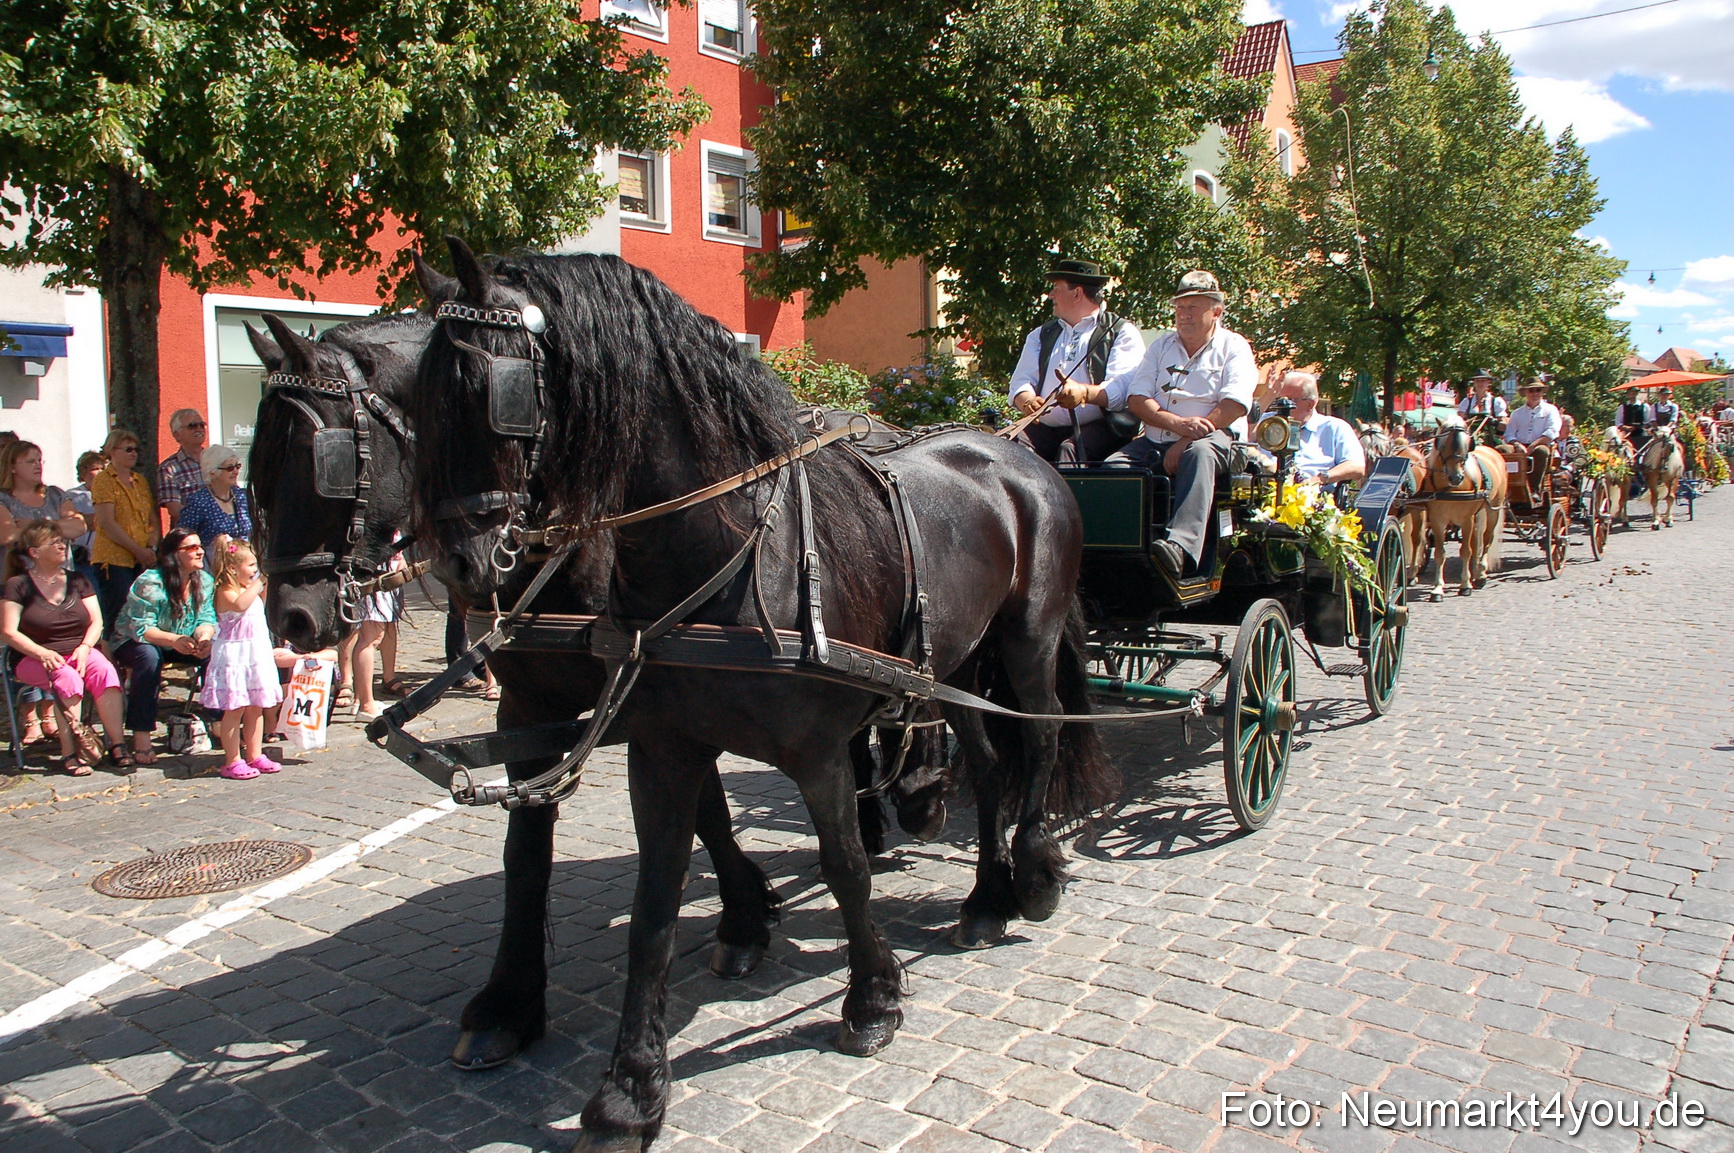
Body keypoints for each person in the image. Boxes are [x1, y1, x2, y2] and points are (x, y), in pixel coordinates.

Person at [1110, 270, 1257, 579]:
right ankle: (1121, 548)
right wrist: (1177, 424)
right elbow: (1137, 399)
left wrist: (1185, 440)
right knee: (1113, 469)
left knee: (1198, 454)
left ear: (1216, 311)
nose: (1184, 315)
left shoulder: (1234, 347)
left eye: (1193, 307)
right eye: (1179, 307)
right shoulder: (1161, 347)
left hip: (1218, 439)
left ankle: (1179, 548)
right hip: (1156, 439)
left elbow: (1233, 405)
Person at [0, 521, 129, 774]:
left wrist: (85, 647)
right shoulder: (18, 585)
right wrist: (42, 652)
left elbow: (97, 621)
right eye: (53, 543)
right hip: (33, 656)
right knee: (65, 677)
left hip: (79, 648)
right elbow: (8, 631)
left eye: (62, 541)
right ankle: (72, 752)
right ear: (34, 552)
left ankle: (118, 744)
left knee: (105, 671)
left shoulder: (77, 580)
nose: (62, 545)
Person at [1007, 258, 1145, 464]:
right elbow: (1020, 382)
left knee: (1069, 450)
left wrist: (1084, 393)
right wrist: (1027, 400)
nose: (1050, 295)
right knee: (1009, 446)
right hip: (1045, 429)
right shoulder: (1040, 334)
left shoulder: (1121, 332)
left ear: (1077, 293)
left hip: (1104, 427)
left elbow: (1121, 389)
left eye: (1056, 288)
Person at [110, 528, 218, 765]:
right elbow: (143, 629)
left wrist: (204, 639)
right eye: (191, 547)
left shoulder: (205, 581)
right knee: (149, 658)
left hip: (179, 639)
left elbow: (206, 619)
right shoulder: (150, 582)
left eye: (200, 546)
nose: (200, 551)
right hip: (135, 641)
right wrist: (174, 641)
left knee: (218, 654)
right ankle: (141, 736)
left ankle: (220, 724)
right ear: (173, 554)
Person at [201, 540, 284, 779]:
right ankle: (232, 759)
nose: (255, 570)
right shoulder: (226, 592)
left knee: (255, 707)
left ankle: (255, 753)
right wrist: (260, 582)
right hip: (235, 656)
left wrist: (264, 586)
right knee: (235, 709)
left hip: (256, 653)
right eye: (251, 565)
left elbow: (261, 606)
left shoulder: (252, 590)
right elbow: (240, 605)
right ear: (233, 569)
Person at [89, 428, 159, 631]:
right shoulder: (104, 480)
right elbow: (106, 523)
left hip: (142, 557)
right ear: (112, 451)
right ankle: (112, 659)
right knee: (118, 613)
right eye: (128, 449)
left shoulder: (140, 481)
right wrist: (138, 551)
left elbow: (151, 516)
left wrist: (151, 545)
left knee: (143, 612)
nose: (134, 453)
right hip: (114, 559)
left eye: (136, 449)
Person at [340, 542, 407, 722]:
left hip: (385, 574)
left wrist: (400, 558)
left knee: (376, 635)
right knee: (370, 639)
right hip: (374, 575)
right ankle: (366, 704)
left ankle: (361, 699)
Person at [1276, 372, 1367, 486]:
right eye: (1280, 399)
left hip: (1315, 497)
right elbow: (1248, 441)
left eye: (1291, 400)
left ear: (1310, 404)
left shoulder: (1334, 427)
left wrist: (1319, 479)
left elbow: (1357, 467)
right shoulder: (1268, 423)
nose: (1282, 405)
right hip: (1265, 495)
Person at [177, 445, 252, 552]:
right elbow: (183, 539)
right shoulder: (199, 501)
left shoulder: (242, 496)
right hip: (213, 564)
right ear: (212, 471)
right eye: (230, 468)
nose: (235, 471)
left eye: (237, 466)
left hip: (243, 561)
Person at [1501, 378, 1563, 493]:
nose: (1535, 393)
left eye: (1538, 390)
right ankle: (1505, 486)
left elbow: (1552, 431)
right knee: (1502, 449)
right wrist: (1516, 444)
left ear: (1542, 393)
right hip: (1519, 446)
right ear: (1526, 393)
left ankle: (1534, 490)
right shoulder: (1517, 413)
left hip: (1540, 444)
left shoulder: (1550, 410)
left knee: (1542, 451)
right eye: (1531, 390)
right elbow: (1509, 433)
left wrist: (1533, 445)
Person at [158, 409, 209, 525]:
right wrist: (208, 520)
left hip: (224, 535)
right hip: (191, 535)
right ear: (177, 435)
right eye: (192, 426)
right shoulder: (169, 468)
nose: (199, 429)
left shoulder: (216, 460)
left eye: (202, 425)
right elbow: (174, 509)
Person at [1457, 371, 1508, 438]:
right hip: (1469, 437)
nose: (1480, 383)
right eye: (1477, 381)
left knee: (1505, 448)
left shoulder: (1496, 401)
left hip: (1491, 438)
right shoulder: (1466, 402)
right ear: (1474, 383)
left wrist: (1496, 423)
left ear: (1488, 383)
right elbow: (1460, 420)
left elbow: (1502, 422)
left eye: (1483, 381)